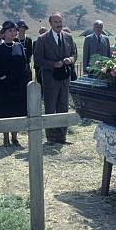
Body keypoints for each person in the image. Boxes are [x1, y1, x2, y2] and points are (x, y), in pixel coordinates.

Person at [33, 13, 77, 145]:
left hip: (65, 79)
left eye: (60, 21)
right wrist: (53, 64)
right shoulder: (42, 39)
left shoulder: (68, 37)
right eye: (56, 22)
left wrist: (71, 59)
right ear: (50, 24)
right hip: (50, 80)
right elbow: (38, 59)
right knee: (50, 109)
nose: (59, 24)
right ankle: (51, 138)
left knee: (63, 108)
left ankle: (62, 137)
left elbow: (75, 53)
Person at [0, 20, 29, 147]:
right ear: (4, 33)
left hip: (19, 85)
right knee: (5, 111)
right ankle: (6, 137)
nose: (13, 33)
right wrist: (5, 80)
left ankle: (15, 137)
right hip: (4, 86)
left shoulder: (19, 46)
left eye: (14, 30)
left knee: (17, 110)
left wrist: (23, 80)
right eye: (10, 30)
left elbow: (24, 64)